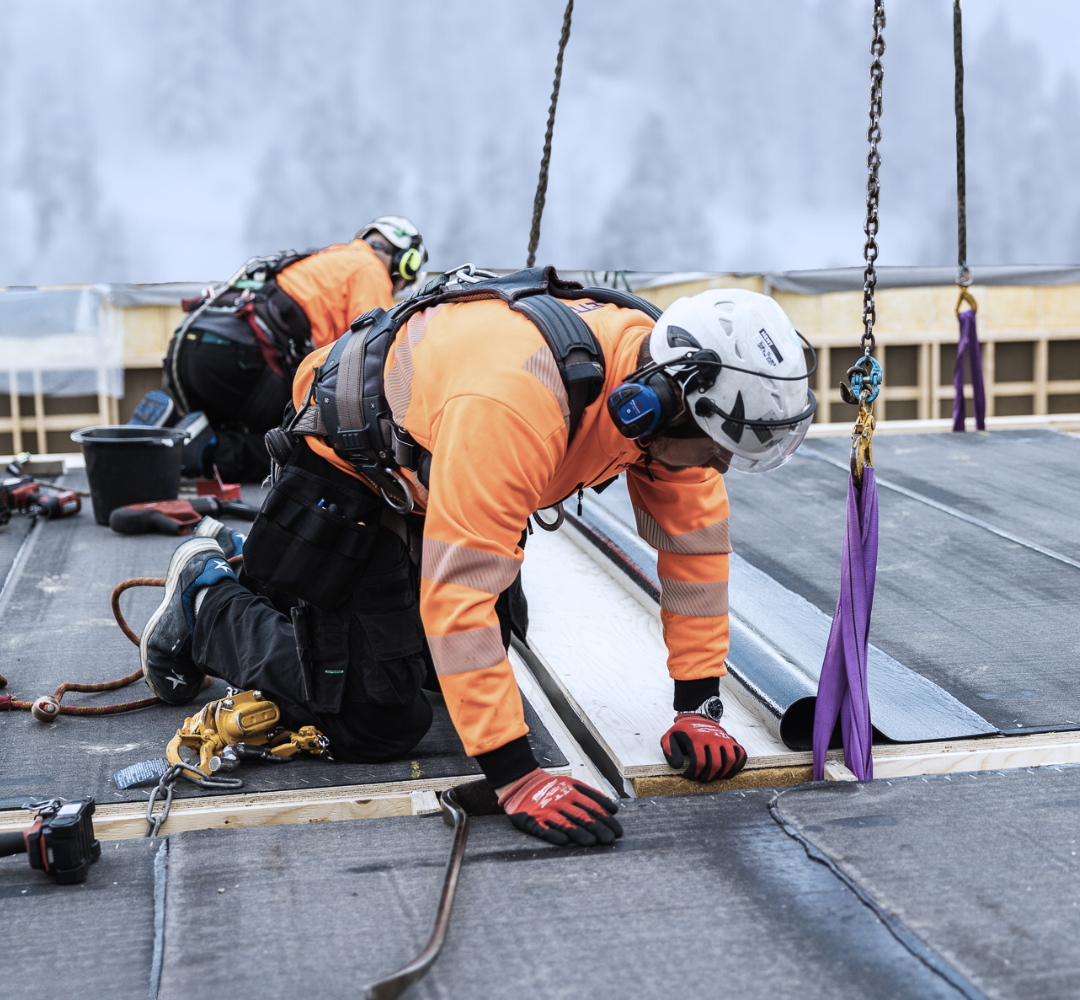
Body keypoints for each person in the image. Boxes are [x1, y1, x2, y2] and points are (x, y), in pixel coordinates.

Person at [137, 274, 815, 847]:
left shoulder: (671, 406)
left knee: (482, 654)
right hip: (350, 475)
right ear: (658, 401)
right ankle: (207, 602)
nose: (717, 467)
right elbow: (457, 594)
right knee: (379, 721)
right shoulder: (519, 401)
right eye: (714, 451)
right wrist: (516, 777)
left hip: (440, 472)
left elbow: (694, 559)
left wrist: (699, 706)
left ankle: (291, 611)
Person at [159, 216, 427, 483]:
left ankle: (171, 430)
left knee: (249, 423)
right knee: (299, 441)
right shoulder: (370, 269)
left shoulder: (330, 257)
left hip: (192, 350)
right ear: (407, 262)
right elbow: (377, 352)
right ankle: (207, 453)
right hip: (240, 358)